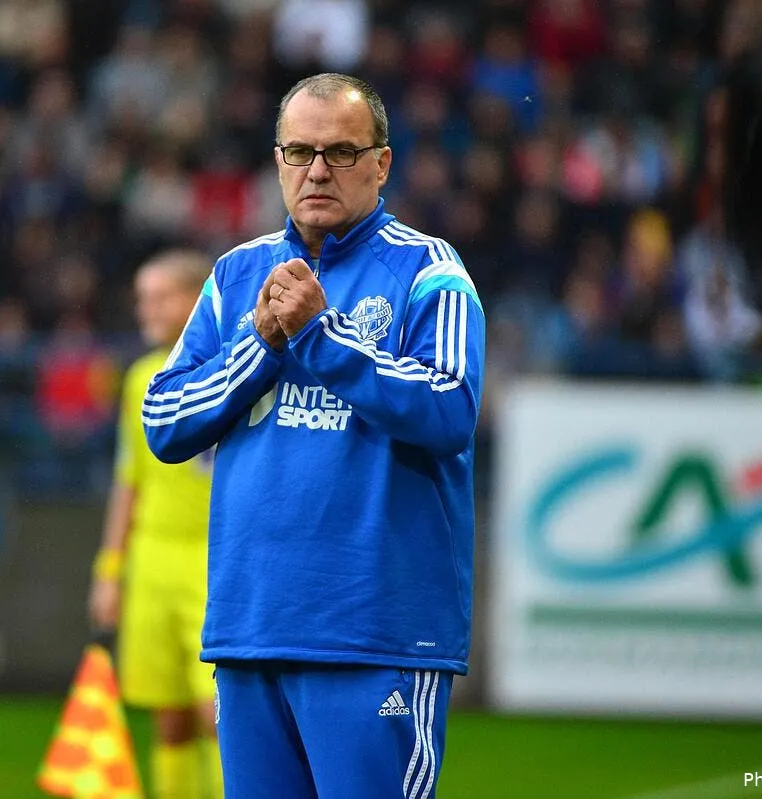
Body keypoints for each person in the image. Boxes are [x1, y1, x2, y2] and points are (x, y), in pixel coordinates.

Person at [142, 73, 485, 798]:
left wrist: (320, 336)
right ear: (277, 162)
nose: (318, 169)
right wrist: (261, 343)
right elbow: (164, 421)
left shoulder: (430, 273)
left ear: (382, 164)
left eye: (340, 151)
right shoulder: (237, 275)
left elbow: (450, 408)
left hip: (374, 637)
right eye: (299, 151)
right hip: (252, 630)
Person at [89, 249, 222, 799]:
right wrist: (109, 568)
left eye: (159, 295)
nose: (146, 308)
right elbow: (129, 481)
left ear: (195, 300)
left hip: (213, 562)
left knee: (214, 712)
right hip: (150, 562)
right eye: (142, 297)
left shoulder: (234, 366)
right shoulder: (141, 377)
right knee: (167, 715)